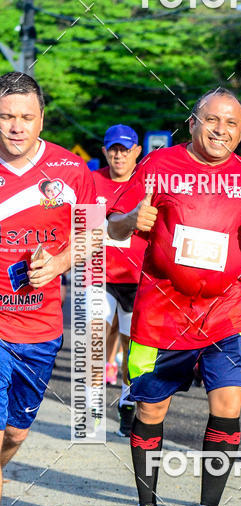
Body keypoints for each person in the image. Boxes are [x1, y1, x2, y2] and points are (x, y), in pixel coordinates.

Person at [108, 87, 241, 506]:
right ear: (193, 123)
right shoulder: (158, 164)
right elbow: (114, 224)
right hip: (162, 311)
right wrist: (133, 219)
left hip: (224, 312)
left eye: (231, 124)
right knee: (151, 410)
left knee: (228, 403)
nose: (221, 130)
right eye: (212, 120)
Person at [0, 72, 96, 506]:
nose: (15, 126)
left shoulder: (71, 170)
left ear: (41, 119)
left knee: (14, 435)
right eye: (5, 116)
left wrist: (57, 262)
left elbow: (95, 233)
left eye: (25, 116)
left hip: (40, 327)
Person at [93, 124, 144, 436]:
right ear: (104, 151)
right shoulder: (92, 181)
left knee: (130, 348)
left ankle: (127, 403)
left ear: (137, 151)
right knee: (94, 340)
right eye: (113, 149)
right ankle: (91, 411)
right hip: (98, 275)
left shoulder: (147, 183)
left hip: (136, 278)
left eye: (125, 150)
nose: (119, 156)